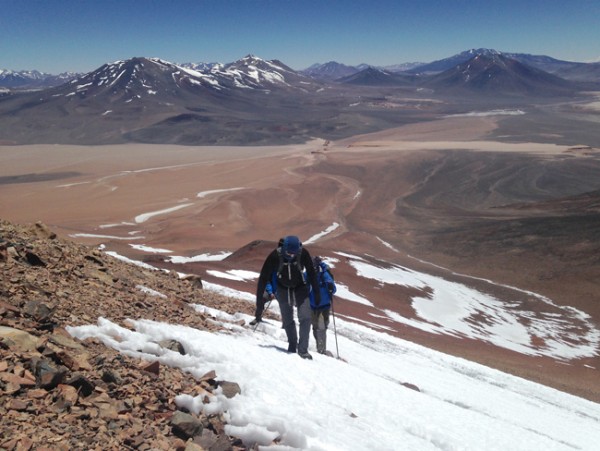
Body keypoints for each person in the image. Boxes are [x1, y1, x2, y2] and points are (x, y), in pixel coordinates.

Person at [253, 235, 321, 359]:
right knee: (287, 318)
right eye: (288, 253)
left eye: (293, 254)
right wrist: (259, 303)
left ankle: (303, 350)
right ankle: (292, 344)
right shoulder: (275, 256)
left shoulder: (303, 253)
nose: (291, 256)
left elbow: (311, 273)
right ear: (283, 248)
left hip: (301, 287)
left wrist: (317, 294)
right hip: (282, 288)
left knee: (305, 317)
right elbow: (263, 278)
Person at [309, 256, 337, 355]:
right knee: (316, 327)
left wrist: (330, 286)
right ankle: (320, 347)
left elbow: (332, 287)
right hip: (313, 306)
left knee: (321, 327)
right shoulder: (309, 273)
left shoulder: (324, 274)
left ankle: (321, 349)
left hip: (323, 306)